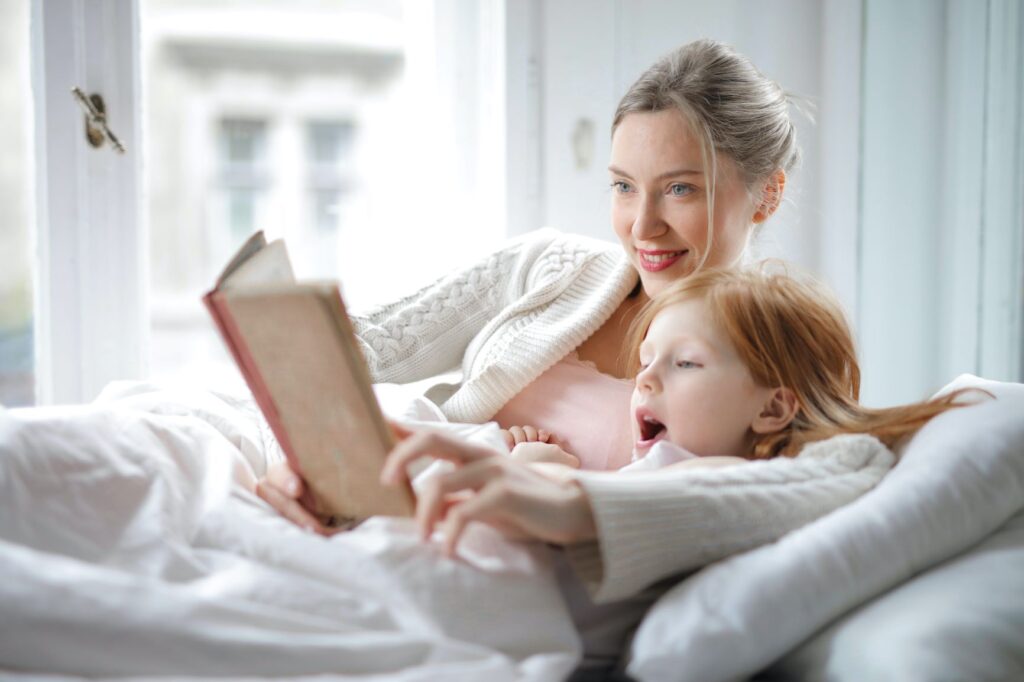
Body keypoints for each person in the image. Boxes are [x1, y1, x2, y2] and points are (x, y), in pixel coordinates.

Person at [254, 38, 811, 601]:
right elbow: (349, 352)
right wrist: (306, 466)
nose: (642, 227)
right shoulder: (550, 266)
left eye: (679, 189)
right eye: (623, 186)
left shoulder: (770, 365)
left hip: (487, 581)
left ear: (767, 195)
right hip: (382, 515)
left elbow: (764, 503)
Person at [379, 265, 974, 661]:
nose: (644, 377)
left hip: (445, 599)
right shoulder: (663, 469)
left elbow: (852, 461)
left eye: (684, 363)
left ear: (773, 408)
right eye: (646, 359)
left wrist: (550, 484)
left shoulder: (732, 480)